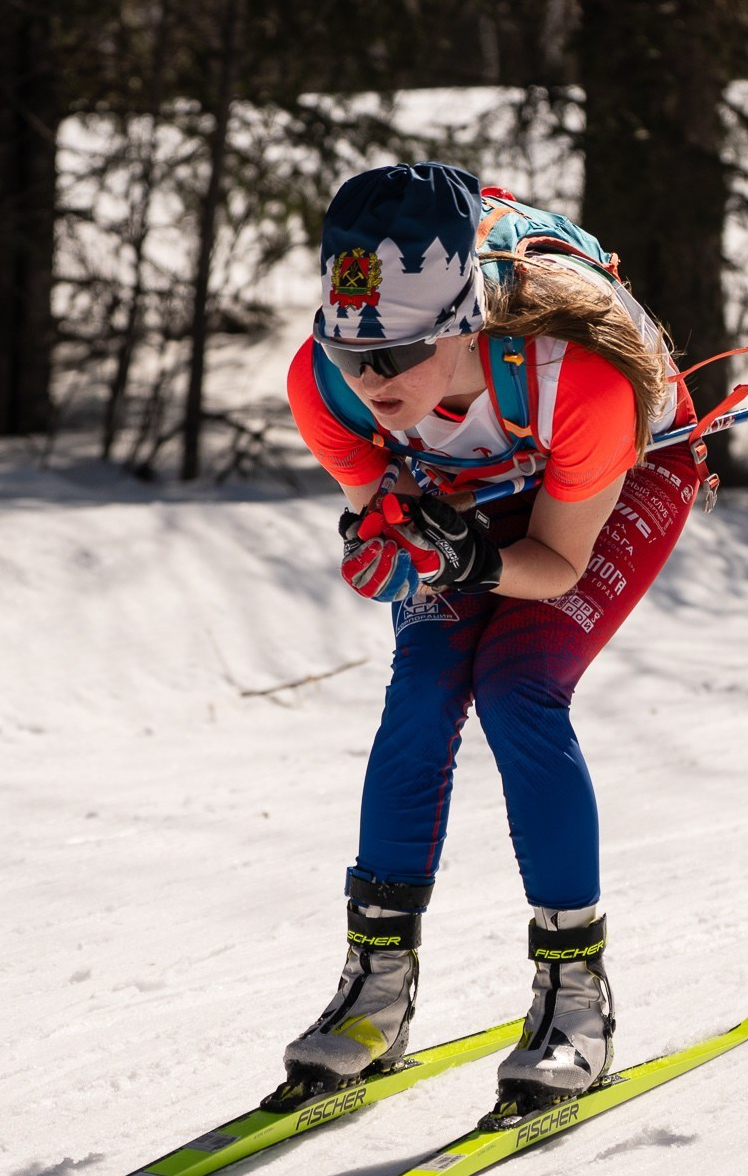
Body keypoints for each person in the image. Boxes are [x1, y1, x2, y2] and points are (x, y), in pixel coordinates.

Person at [277, 161, 706, 1119]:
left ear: (461, 324)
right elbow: (380, 512)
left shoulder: (578, 379)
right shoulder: (329, 388)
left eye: (394, 354)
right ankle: (376, 992)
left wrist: (463, 555)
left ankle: (575, 1002)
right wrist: (390, 540)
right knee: (425, 685)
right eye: (353, 352)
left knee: (519, 685)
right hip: (469, 483)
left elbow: (554, 561)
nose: (370, 379)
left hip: (615, 475)